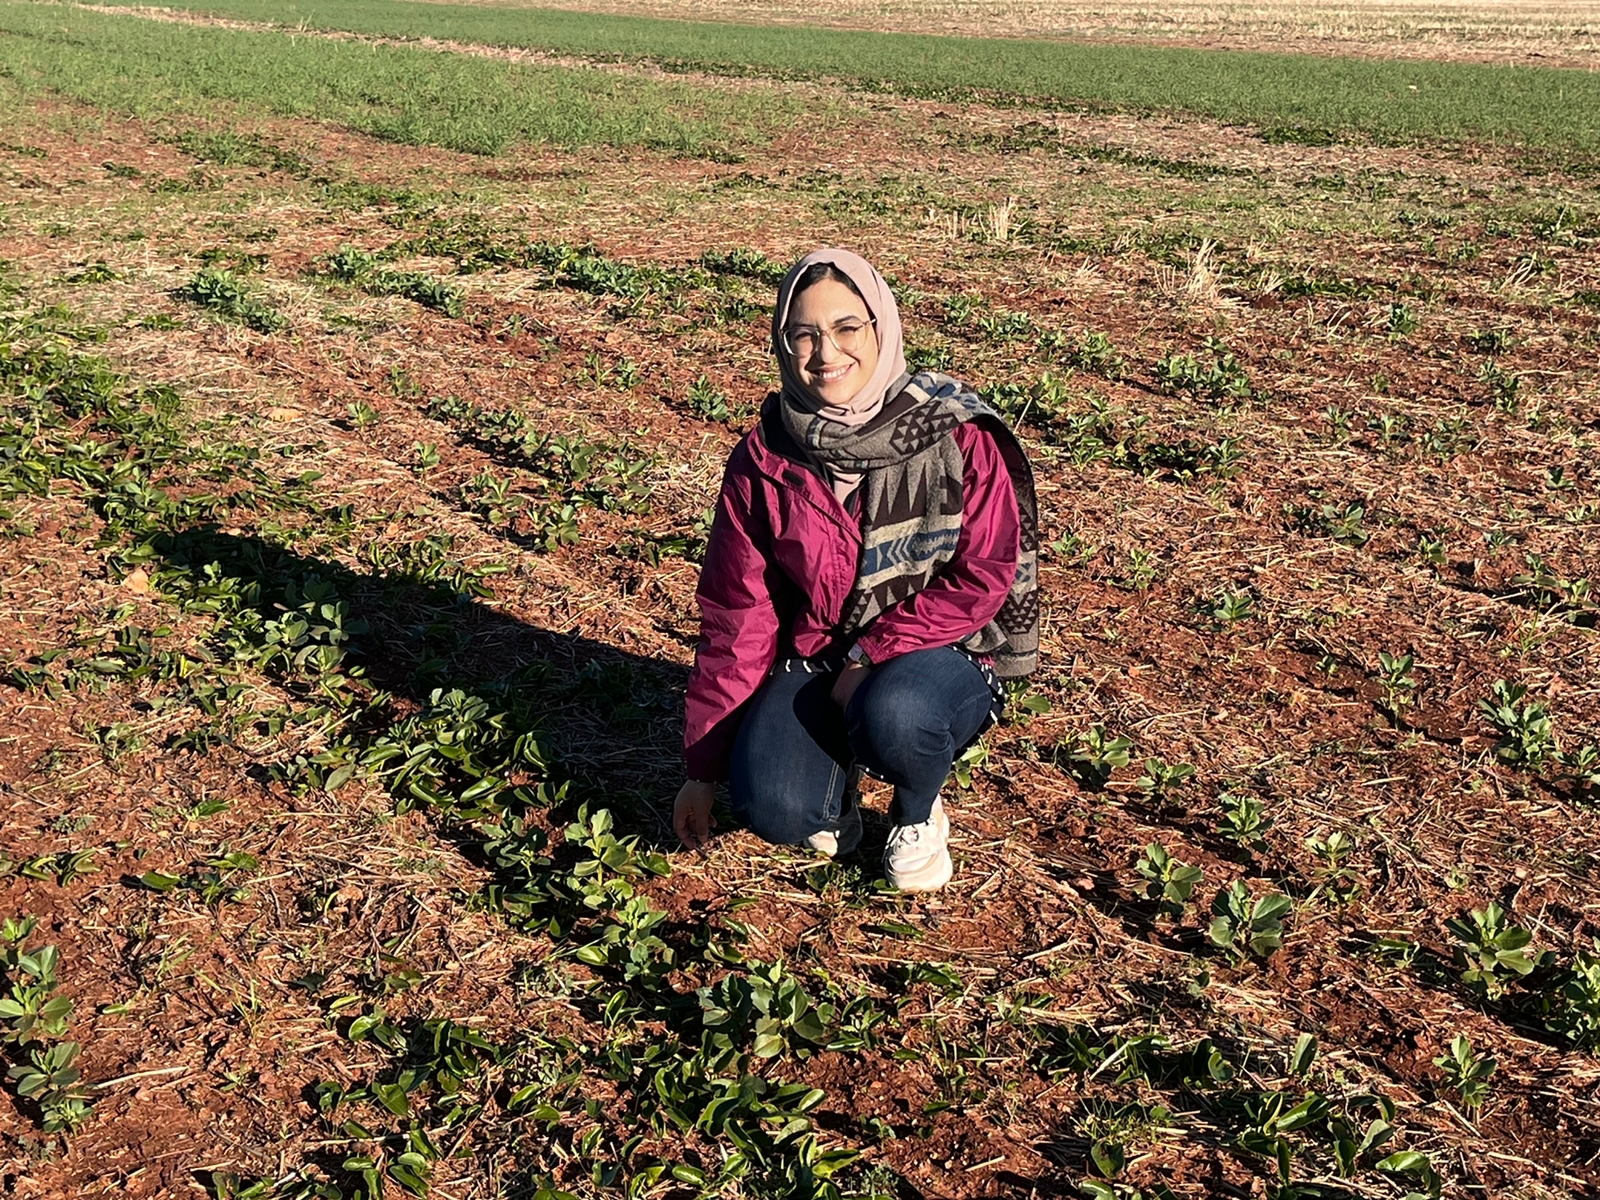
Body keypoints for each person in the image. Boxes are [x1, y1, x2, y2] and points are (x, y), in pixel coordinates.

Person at [672, 248, 1038, 892]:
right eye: (804, 334)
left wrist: (872, 652)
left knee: (897, 714)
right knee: (773, 806)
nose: (826, 353)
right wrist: (701, 768)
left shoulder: (952, 434)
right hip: (820, 655)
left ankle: (917, 809)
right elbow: (739, 616)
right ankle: (833, 793)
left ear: (881, 327)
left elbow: (984, 575)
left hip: (941, 653)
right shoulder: (767, 457)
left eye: (846, 328)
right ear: (782, 341)